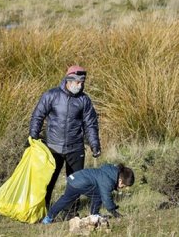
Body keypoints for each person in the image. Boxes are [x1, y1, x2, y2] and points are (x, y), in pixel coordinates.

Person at [29, 65, 102, 213]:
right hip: (53, 148)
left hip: (76, 149)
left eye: (83, 82)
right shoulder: (51, 95)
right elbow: (38, 116)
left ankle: (71, 213)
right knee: (47, 183)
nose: (80, 85)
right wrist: (33, 137)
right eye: (78, 82)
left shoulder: (84, 100)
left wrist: (95, 145)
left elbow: (91, 124)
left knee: (76, 184)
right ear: (69, 80)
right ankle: (43, 212)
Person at [41, 164, 135, 224]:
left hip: (74, 178)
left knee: (65, 199)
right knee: (98, 196)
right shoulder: (108, 181)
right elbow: (106, 199)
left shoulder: (110, 171)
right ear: (120, 180)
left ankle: (48, 217)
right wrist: (115, 212)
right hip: (79, 183)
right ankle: (94, 215)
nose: (123, 188)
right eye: (124, 185)